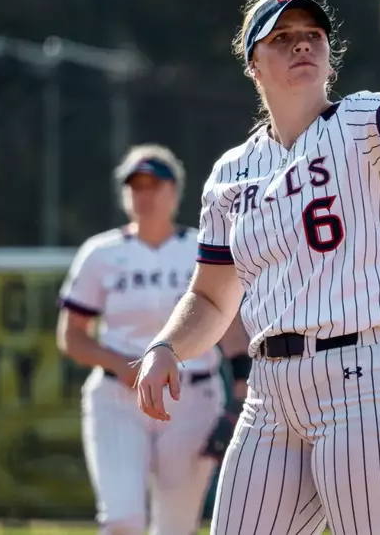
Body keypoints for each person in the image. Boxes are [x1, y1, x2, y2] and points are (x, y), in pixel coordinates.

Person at [133, 0, 380, 535]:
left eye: (313, 33)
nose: (302, 42)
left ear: (331, 55)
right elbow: (211, 299)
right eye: (281, 38)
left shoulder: (360, 122)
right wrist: (167, 346)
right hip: (271, 395)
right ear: (253, 64)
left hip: (367, 377)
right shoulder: (231, 174)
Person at [56, 143, 252, 535]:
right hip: (118, 398)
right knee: (122, 521)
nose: (144, 194)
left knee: (175, 527)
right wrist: (119, 365)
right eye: (136, 185)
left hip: (191, 396)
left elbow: (228, 324)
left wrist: (242, 385)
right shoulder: (101, 253)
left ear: (175, 193)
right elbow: (71, 336)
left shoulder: (201, 247)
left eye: (154, 184)